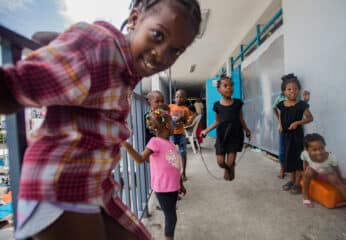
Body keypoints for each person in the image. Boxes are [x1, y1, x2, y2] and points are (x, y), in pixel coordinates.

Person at [0, 0, 201, 239]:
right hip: (60, 183)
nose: (161, 54)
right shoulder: (100, 46)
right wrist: (73, 45)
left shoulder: (126, 65)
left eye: (175, 50)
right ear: (135, 19)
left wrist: (57, 42)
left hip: (95, 183)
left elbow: (50, 43)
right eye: (158, 35)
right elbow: (16, 86)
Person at [122, 107, 186, 240]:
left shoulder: (170, 144)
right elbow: (140, 159)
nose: (174, 124)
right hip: (163, 188)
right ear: (166, 125)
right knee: (171, 217)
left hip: (173, 187)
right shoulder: (154, 142)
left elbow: (175, 166)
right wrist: (128, 147)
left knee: (171, 214)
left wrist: (180, 184)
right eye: (172, 122)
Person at [301, 133, 346, 223]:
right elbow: (305, 162)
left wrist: (341, 179)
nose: (319, 152)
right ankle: (305, 196)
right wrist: (305, 172)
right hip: (314, 173)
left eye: (321, 148)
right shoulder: (305, 154)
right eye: (314, 150)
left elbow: (336, 169)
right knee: (308, 171)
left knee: (334, 178)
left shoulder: (331, 157)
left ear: (324, 146)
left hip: (326, 175)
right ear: (307, 149)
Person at [201, 76, 251, 181]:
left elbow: (241, 119)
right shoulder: (217, 105)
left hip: (235, 135)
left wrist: (247, 129)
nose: (229, 88)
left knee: (230, 162)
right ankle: (229, 169)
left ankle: (230, 167)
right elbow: (217, 121)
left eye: (231, 85)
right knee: (220, 162)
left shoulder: (238, 103)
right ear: (219, 89)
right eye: (225, 86)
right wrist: (206, 130)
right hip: (222, 136)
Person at [277, 75, 313, 194]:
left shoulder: (301, 105)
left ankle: (298, 183)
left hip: (297, 136)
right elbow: (281, 115)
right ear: (284, 91)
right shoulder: (281, 104)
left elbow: (310, 118)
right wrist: (280, 125)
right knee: (289, 157)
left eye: (295, 89)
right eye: (289, 89)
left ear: (299, 90)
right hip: (286, 135)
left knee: (297, 159)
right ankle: (292, 180)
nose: (293, 91)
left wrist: (298, 122)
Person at [169, 89, 190, 181]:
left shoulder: (185, 109)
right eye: (177, 96)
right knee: (171, 154)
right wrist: (178, 118)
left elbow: (186, 123)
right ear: (174, 98)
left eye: (181, 97)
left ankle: (183, 173)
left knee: (183, 153)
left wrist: (184, 118)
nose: (178, 98)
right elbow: (168, 120)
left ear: (184, 98)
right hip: (171, 134)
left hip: (181, 133)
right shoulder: (170, 107)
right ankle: (172, 173)